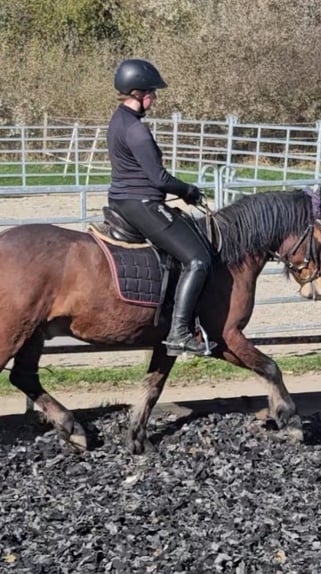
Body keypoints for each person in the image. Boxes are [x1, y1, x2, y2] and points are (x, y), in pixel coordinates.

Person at [106, 58, 215, 357]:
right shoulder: (137, 131)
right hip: (142, 204)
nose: (154, 97)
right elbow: (159, 178)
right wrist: (189, 191)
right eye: (151, 92)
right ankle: (180, 332)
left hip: (122, 200)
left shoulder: (118, 121)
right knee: (198, 259)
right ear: (138, 93)